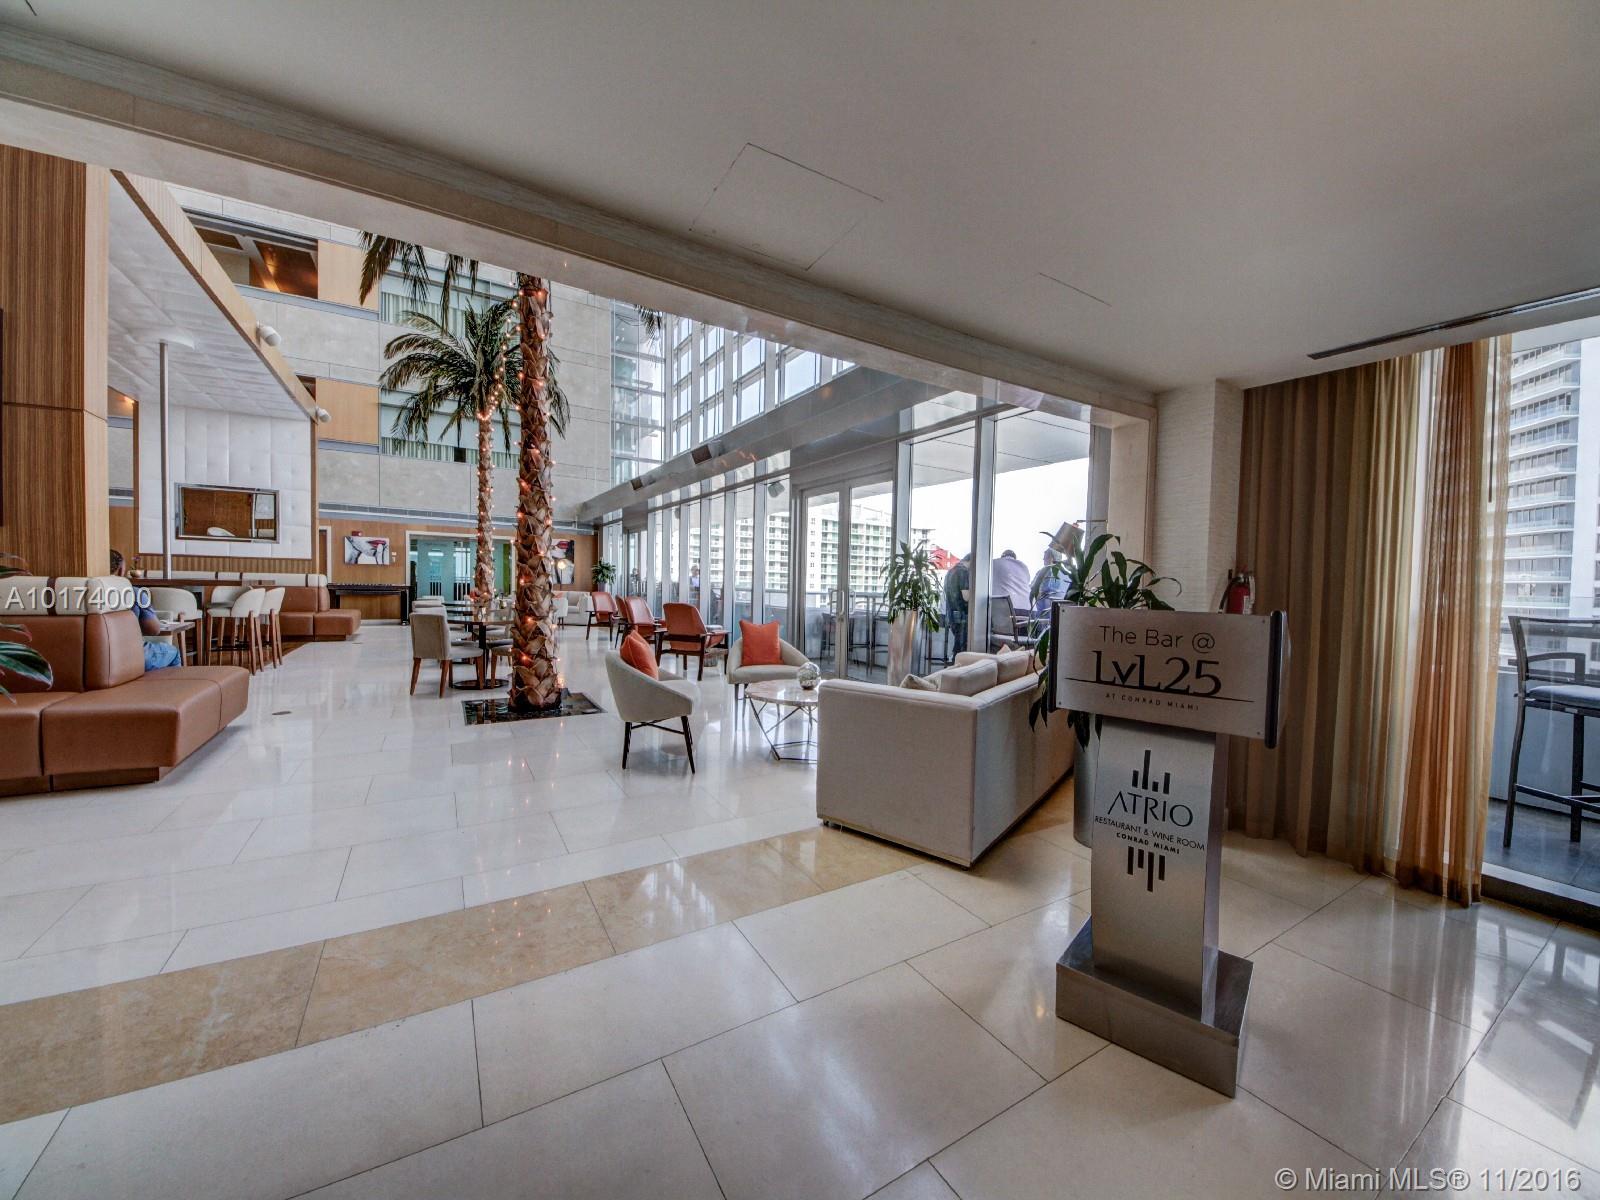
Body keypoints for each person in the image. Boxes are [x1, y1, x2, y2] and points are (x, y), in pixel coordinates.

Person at [110, 551, 181, 670]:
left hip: (100, 657)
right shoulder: (135, 593)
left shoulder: (87, 592)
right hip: (132, 655)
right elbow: (154, 629)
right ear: (121, 571)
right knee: (173, 652)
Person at [942, 554, 971, 655]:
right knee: (962, 648)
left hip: (951, 614)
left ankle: (956, 663)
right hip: (962, 614)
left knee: (958, 644)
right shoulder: (964, 571)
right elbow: (966, 597)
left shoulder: (950, 571)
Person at [991, 549, 1032, 614]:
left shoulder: (994, 563)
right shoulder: (1023, 566)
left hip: (1008, 607)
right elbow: (1027, 581)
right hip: (1030, 607)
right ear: (1014, 558)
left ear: (1002, 557)